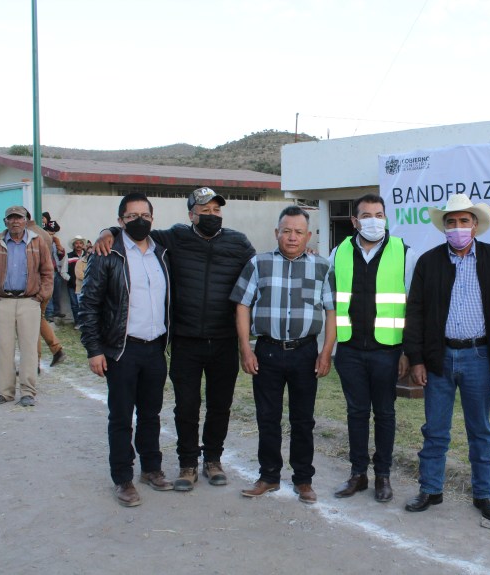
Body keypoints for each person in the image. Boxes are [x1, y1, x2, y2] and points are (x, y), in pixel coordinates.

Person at [95, 187, 255, 492]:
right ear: (191, 214)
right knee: (186, 406)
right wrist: (108, 231)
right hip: (185, 340)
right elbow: (136, 229)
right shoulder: (173, 238)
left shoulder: (238, 242)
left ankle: (213, 460)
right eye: (204, 211)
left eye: (216, 210)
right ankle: (188, 463)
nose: (211, 215)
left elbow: (256, 277)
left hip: (224, 340)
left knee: (220, 406)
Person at [402, 194, 490, 521]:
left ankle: (484, 494)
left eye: (464, 221)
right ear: (443, 227)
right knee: (435, 429)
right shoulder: (428, 261)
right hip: (438, 357)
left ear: (475, 225)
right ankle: (430, 489)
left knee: (480, 430)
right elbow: (415, 311)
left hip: (479, 356)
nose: (457, 227)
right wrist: (417, 358)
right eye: (451, 222)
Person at [231, 206, 336, 505]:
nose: (292, 237)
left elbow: (332, 312)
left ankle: (303, 479)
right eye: (286, 231)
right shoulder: (258, 264)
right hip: (267, 351)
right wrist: (245, 348)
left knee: (303, 420)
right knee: (268, 417)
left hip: (305, 353)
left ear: (308, 235)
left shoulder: (322, 267)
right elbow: (242, 305)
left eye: (298, 232)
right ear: (277, 232)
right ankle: (268, 476)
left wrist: (326, 352)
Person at [79, 193, 174, 507]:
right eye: (132, 216)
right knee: (121, 417)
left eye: (144, 215)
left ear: (152, 218)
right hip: (122, 351)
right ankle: (123, 478)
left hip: (155, 349)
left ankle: (151, 468)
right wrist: (94, 349)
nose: (139, 221)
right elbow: (89, 304)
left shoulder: (162, 253)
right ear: (120, 221)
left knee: (151, 414)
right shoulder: (107, 254)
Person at [330, 193, 416, 503]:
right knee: (356, 413)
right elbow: (330, 302)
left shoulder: (404, 253)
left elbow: (413, 306)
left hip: (387, 351)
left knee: (385, 413)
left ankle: (383, 475)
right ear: (355, 221)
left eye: (379, 215)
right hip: (349, 349)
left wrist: (407, 351)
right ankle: (358, 474)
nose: (374, 221)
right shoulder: (338, 252)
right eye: (366, 216)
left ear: (386, 218)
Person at [0, 206, 54, 407]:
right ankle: (5, 392)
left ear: (25, 220)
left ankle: (28, 392)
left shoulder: (37, 241)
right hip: (2, 301)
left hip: (30, 301)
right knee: (4, 348)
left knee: (29, 348)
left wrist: (41, 295)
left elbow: (47, 271)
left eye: (19, 218)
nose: (15, 222)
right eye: (11, 218)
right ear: (5, 222)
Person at [26, 212, 66, 368]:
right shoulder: (43, 233)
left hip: (34, 284)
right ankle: (56, 350)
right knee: (38, 319)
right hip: (46, 282)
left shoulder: (28, 234)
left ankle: (34, 363)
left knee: (31, 323)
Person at [44, 220, 68, 321]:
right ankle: (49, 313)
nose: (51, 235)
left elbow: (60, 256)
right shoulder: (43, 242)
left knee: (57, 292)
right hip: (46, 271)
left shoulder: (55, 242)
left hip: (55, 270)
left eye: (53, 233)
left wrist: (60, 250)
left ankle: (57, 311)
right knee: (48, 293)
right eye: (49, 233)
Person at [66, 235, 86, 328]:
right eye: (76, 243)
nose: (78, 245)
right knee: (74, 304)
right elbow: (63, 271)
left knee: (85, 304)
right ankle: (78, 323)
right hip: (72, 285)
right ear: (74, 245)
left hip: (85, 285)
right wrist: (70, 279)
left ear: (83, 245)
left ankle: (85, 323)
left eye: (80, 243)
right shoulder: (68, 256)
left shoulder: (87, 256)